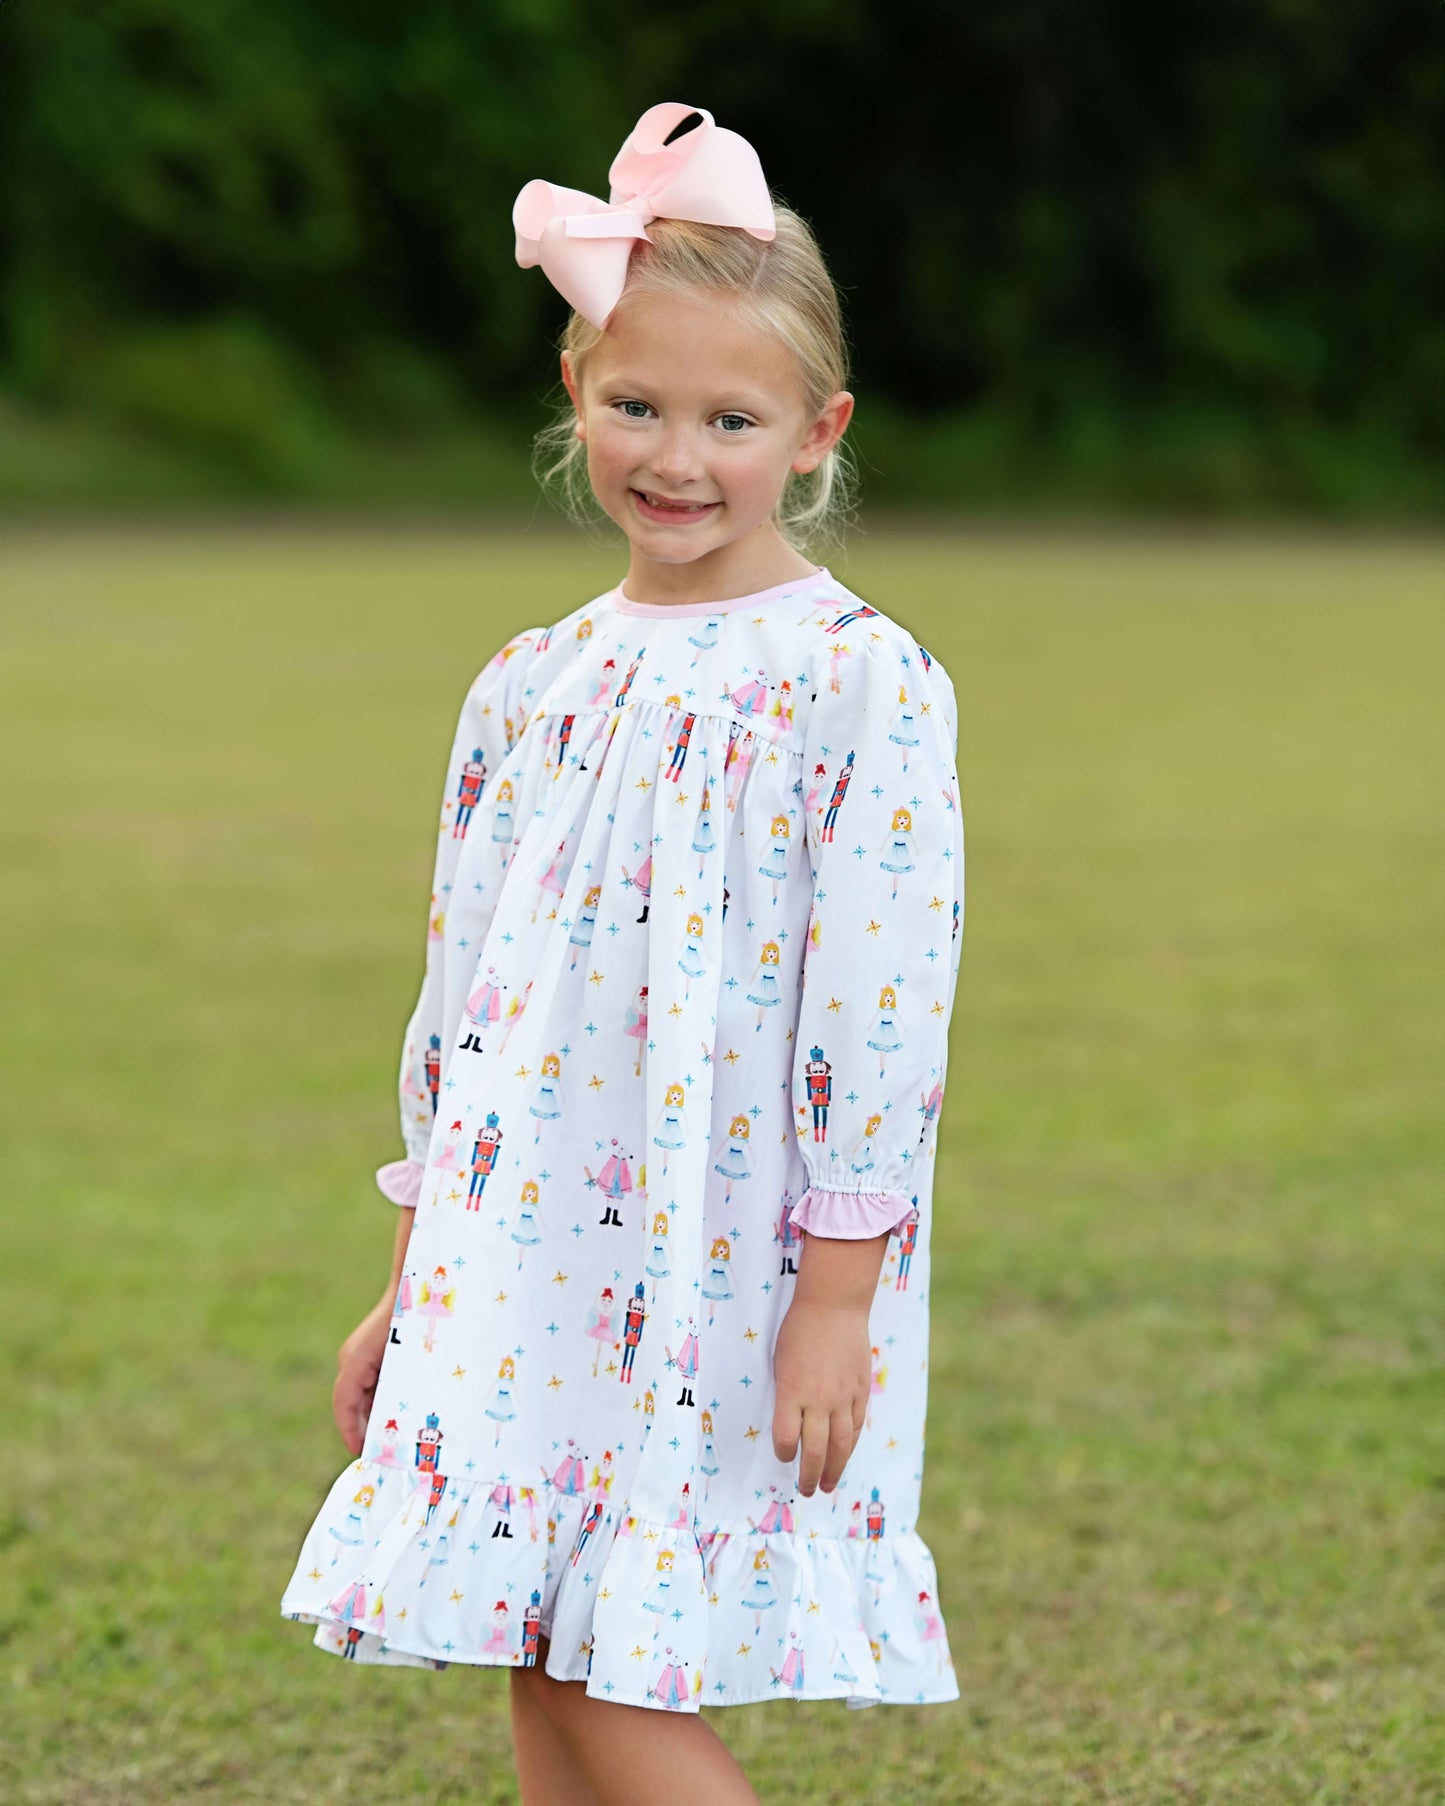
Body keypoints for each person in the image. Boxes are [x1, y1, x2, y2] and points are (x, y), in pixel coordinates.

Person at [279, 101, 967, 1806]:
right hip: (509, 1255)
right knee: (530, 1625)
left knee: (615, 1653)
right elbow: (462, 1007)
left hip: (719, 1253)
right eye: (634, 403)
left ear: (818, 433)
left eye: (731, 417)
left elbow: (880, 1013)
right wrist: (409, 1273)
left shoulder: (855, 682)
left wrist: (834, 1300)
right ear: (573, 397)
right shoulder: (533, 680)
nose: (677, 456)